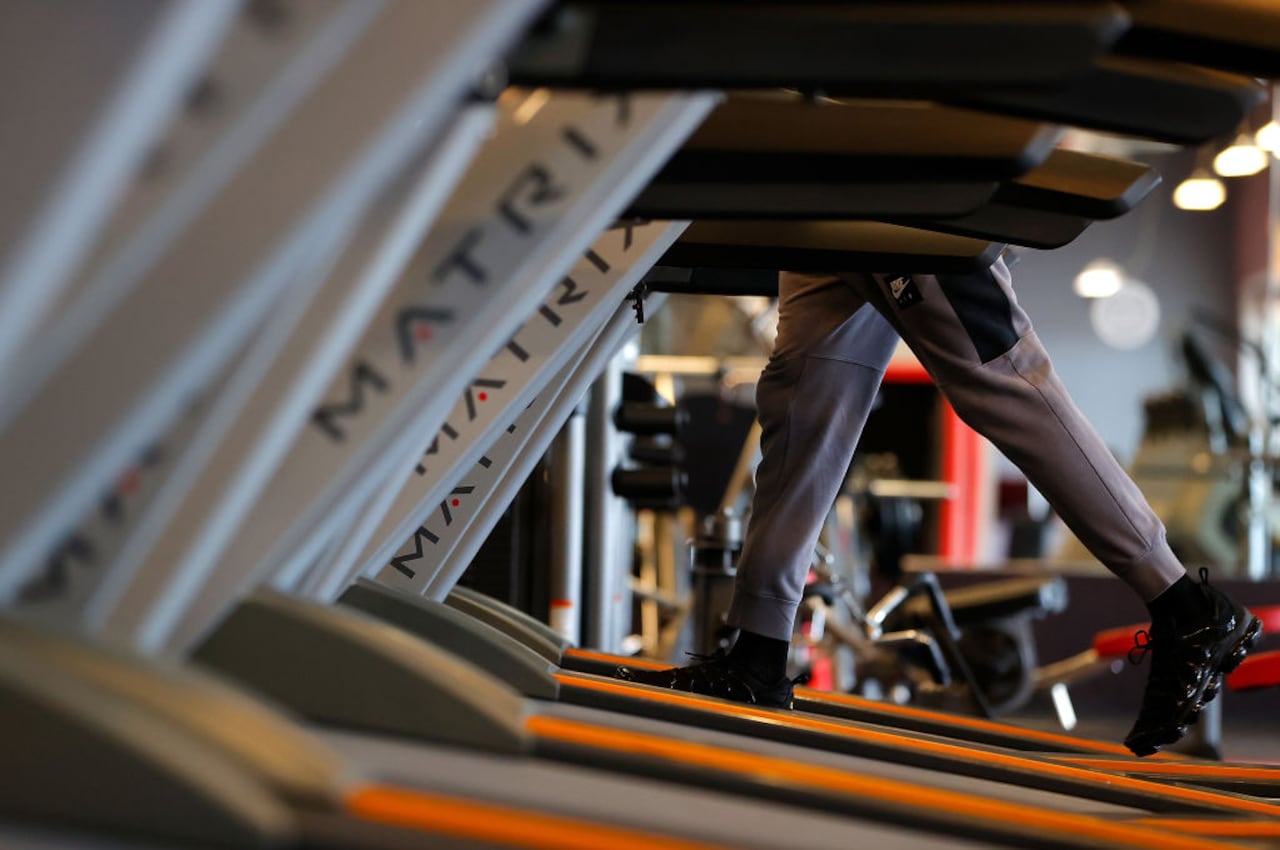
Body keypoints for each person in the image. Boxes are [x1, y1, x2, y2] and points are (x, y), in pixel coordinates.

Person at [618, 258, 1261, 757]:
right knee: (802, 403)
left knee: (1002, 383)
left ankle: (1187, 606)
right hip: (821, 182)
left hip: (891, 170)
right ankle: (756, 654)